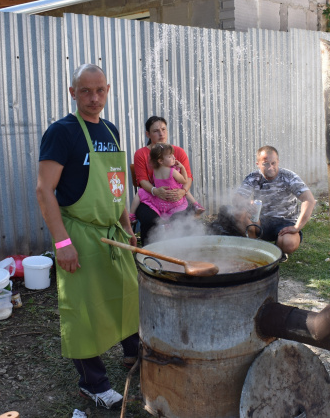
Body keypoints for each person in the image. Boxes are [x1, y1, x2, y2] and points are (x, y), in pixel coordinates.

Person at [35, 63, 138, 410]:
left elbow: (116, 186)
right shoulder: (61, 133)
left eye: (99, 90)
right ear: (72, 93)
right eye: (85, 91)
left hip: (112, 231)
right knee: (84, 309)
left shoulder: (111, 130)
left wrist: (126, 224)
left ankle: (133, 354)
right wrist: (63, 243)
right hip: (78, 232)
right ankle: (93, 383)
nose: (94, 98)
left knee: (127, 293)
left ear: (107, 90)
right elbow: (44, 190)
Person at [233, 145, 316, 256]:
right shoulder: (253, 177)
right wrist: (247, 203)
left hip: (285, 223)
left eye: (273, 163)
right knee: (239, 212)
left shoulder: (289, 176)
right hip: (260, 221)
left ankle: (278, 253)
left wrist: (297, 227)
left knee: (289, 243)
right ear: (258, 164)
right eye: (266, 164)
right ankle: (254, 248)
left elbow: (309, 200)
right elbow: (237, 198)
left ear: (278, 162)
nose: (270, 167)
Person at [133, 116, 204, 244]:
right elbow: (142, 180)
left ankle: (180, 250)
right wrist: (155, 191)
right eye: (156, 131)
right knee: (149, 219)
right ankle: (149, 252)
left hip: (176, 197)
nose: (161, 134)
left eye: (163, 129)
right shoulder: (141, 154)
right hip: (152, 196)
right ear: (148, 134)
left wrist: (183, 191)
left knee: (181, 218)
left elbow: (188, 177)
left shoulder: (178, 152)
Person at [130, 143, 190, 220]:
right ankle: (195, 204)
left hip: (160, 204)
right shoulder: (173, 172)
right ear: (160, 161)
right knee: (182, 188)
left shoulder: (155, 170)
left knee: (140, 192)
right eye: (170, 156)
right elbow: (185, 180)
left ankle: (131, 215)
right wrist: (182, 168)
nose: (174, 157)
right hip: (174, 202)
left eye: (172, 155)